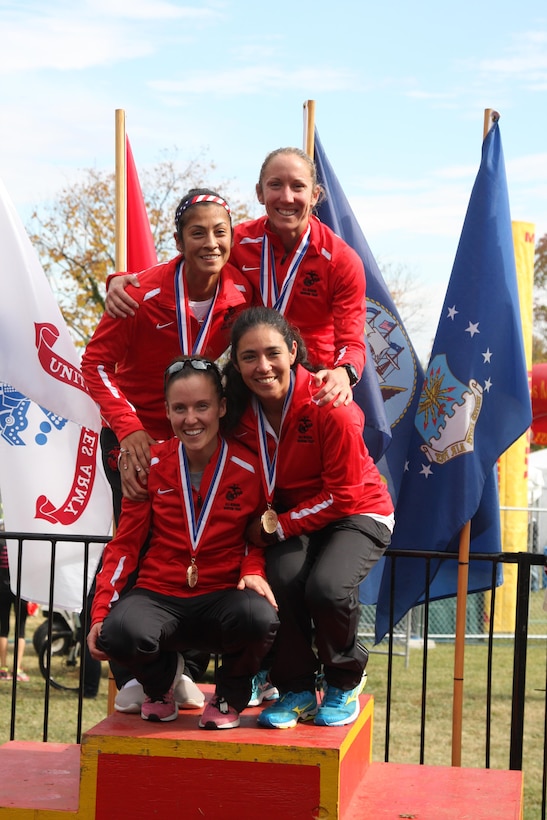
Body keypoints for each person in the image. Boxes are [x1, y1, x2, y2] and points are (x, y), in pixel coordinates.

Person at [82, 188, 254, 710]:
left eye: (220, 232)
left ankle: (185, 670)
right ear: (177, 241)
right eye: (197, 232)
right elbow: (95, 365)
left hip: (202, 442)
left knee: (199, 550)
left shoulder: (243, 295)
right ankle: (137, 676)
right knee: (133, 552)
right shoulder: (141, 292)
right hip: (137, 443)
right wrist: (130, 428)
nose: (210, 242)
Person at [223, 307, 394, 729]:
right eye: (248, 357)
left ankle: (344, 678)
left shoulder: (330, 404)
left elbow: (344, 494)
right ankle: (296, 687)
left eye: (272, 353)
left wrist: (278, 526)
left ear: (293, 351)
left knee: (327, 588)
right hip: (295, 516)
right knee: (280, 579)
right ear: (236, 362)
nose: (262, 366)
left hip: (357, 511)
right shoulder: (238, 415)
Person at [87, 355, 279, 728]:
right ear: (167, 411)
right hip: (160, 593)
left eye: (202, 406)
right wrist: (99, 615)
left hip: (221, 595)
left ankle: (228, 697)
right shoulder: (151, 467)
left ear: (221, 407)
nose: (191, 419)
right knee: (117, 632)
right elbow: (125, 546)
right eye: (180, 408)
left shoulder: (251, 469)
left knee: (260, 618)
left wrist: (253, 570)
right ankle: (159, 685)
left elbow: (256, 539)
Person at [105, 147, 366, 409]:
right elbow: (186, 264)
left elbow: (351, 340)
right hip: (249, 380)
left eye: (298, 187)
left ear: (315, 195)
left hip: (312, 385)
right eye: (275, 185)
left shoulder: (341, 260)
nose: (287, 197)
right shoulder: (237, 242)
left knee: (344, 423)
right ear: (260, 193)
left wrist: (345, 373)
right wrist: (125, 278)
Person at [0, 539, 30, 682]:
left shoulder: (1, 542)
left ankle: (3, 668)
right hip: (21, 590)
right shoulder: (25, 542)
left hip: (2, 589)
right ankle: (17, 669)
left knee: (3, 629)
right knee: (21, 630)